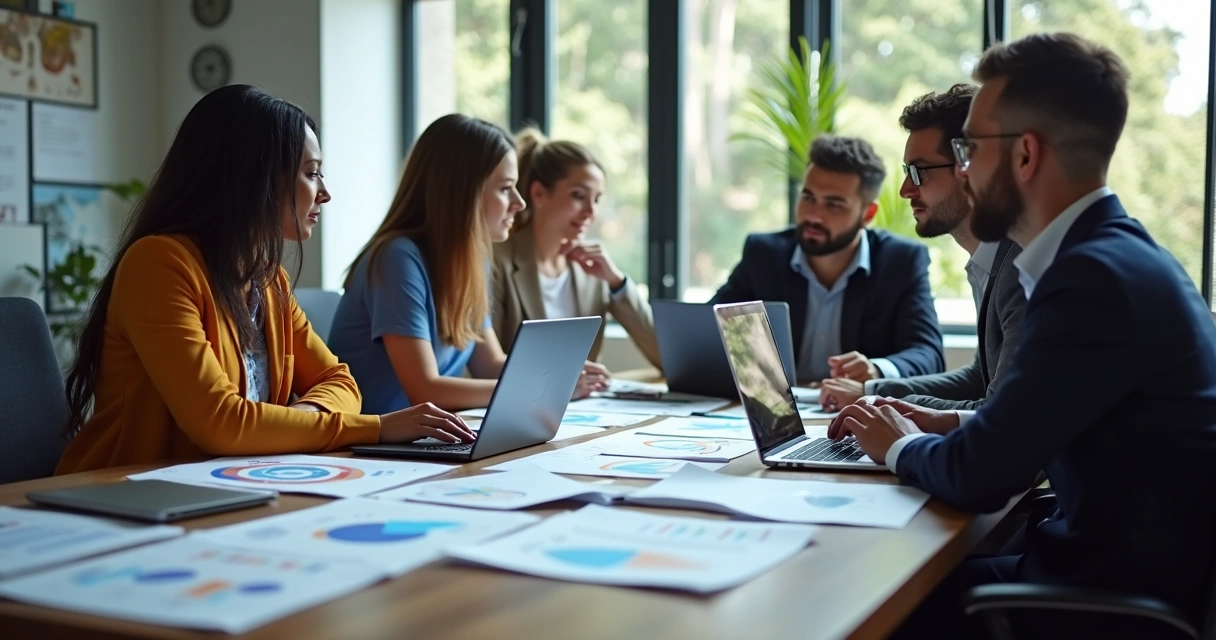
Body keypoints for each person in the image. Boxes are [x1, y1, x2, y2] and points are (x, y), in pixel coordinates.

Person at [828, 33, 1216, 638]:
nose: (964, 170)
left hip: (1100, 605)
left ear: (1025, 155)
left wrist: (897, 445)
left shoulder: (1090, 280)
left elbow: (981, 476)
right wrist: (945, 422)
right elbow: (1038, 421)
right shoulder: (1116, 255)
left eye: (969, 148)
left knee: (860, 597)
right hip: (1106, 573)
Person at [55, 86, 475, 475]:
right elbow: (220, 423)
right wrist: (375, 428)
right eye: (311, 173)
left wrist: (302, 419)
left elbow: (342, 383)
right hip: (126, 494)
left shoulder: (269, 282)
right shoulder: (158, 265)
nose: (325, 193)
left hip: (231, 483)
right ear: (253, 179)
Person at [329, 115, 608, 414]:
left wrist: (562, 373)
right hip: (370, 437)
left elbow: (491, 364)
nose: (519, 203)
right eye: (505, 188)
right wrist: (545, 388)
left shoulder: (473, 261)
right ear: (463, 192)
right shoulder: (397, 259)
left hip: (422, 436)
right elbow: (425, 391)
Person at [820, 85, 1025, 411]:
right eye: (906, 172)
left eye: (919, 172)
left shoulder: (1021, 266)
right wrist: (871, 391)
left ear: (970, 166)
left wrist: (881, 402)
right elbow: (979, 378)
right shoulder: (991, 261)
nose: (905, 190)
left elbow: (999, 414)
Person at [711, 134, 944, 386]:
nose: (814, 216)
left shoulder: (900, 262)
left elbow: (928, 354)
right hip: (778, 406)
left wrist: (877, 370)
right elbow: (707, 328)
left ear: (867, 214)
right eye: (808, 198)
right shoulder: (764, 255)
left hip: (853, 407)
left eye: (834, 205)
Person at [491, 128, 660, 369]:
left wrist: (616, 282)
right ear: (539, 193)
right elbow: (484, 366)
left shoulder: (593, 272)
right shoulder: (497, 262)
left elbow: (665, 357)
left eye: (597, 199)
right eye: (579, 196)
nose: (591, 211)